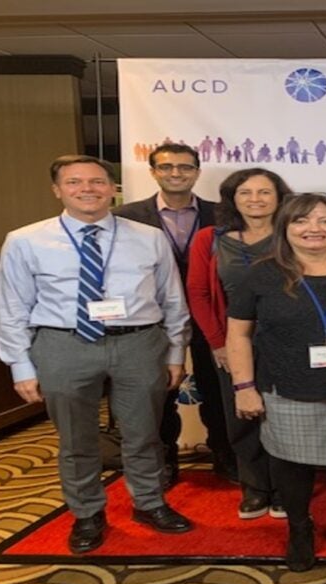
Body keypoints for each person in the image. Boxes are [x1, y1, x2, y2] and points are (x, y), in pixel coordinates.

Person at [0, 155, 193, 554]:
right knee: (76, 439)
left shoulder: (147, 236)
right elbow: (12, 306)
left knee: (144, 433)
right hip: (62, 345)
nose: (88, 189)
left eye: (98, 181)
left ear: (112, 188)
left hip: (139, 343)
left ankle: (149, 503)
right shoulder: (25, 240)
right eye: (75, 182)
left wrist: (175, 354)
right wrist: (20, 365)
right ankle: (87, 512)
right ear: (57, 190)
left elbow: (172, 299)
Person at [226, 193, 326, 571]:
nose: (314, 229)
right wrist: (244, 388)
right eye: (302, 221)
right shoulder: (261, 274)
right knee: (291, 465)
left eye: (325, 221)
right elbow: (239, 335)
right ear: (285, 228)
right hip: (285, 386)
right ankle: (299, 528)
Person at [113, 142, 235, 488]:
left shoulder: (223, 215)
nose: (176, 173)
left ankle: (224, 454)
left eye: (184, 167)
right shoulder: (127, 218)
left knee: (217, 387)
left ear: (197, 172)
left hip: (212, 313)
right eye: (166, 167)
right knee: (158, 391)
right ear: (153, 172)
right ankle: (163, 459)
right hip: (153, 317)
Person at [186, 168, 292, 520]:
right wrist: (218, 344)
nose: (256, 200)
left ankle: (284, 487)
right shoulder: (210, 239)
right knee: (242, 417)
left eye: (265, 192)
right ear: (232, 198)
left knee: (283, 417)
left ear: (279, 198)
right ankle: (255, 488)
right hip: (232, 343)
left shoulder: (293, 234)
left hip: (286, 343)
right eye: (246, 193)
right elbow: (198, 293)